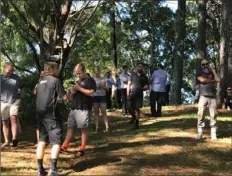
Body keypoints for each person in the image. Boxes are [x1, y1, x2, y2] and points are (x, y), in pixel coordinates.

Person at [35, 62, 67, 176]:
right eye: (57, 69)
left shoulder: (39, 81)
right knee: (56, 142)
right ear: (52, 69)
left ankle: (40, 170)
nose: (58, 71)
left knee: (42, 141)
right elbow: (64, 97)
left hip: (40, 116)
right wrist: (71, 94)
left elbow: (35, 92)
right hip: (52, 116)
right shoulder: (55, 80)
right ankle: (53, 170)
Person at [61, 63, 96, 157]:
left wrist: (79, 88)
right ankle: (64, 146)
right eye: (76, 73)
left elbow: (91, 93)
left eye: (79, 73)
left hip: (84, 108)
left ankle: (82, 148)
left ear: (84, 71)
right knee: (70, 127)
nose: (78, 75)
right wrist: (72, 93)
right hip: (74, 107)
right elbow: (70, 98)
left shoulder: (90, 80)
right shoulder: (77, 81)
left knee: (83, 129)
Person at [1, 62, 24, 149]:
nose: (11, 72)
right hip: (3, 102)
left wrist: (21, 97)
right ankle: (6, 141)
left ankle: (14, 139)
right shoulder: (1, 78)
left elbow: (22, 88)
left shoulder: (16, 77)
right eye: (9, 70)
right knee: (5, 122)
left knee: (13, 118)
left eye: (12, 70)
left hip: (14, 101)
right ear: (5, 68)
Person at [196, 59, 220, 140]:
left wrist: (213, 70)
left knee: (213, 115)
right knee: (200, 114)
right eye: (203, 64)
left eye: (206, 64)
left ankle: (213, 133)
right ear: (201, 66)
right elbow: (203, 80)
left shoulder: (212, 73)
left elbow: (218, 79)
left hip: (213, 97)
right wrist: (213, 81)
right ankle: (200, 133)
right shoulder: (199, 73)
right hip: (203, 96)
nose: (205, 66)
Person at [127, 62, 149, 129]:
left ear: (143, 68)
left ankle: (137, 123)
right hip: (132, 93)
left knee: (137, 109)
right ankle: (133, 117)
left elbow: (147, 87)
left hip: (139, 95)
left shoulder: (145, 77)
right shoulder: (132, 75)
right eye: (139, 66)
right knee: (128, 107)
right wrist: (128, 94)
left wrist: (143, 88)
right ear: (137, 67)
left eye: (141, 67)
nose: (140, 68)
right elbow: (129, 84)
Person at [93, 68, 109, 132]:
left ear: (100, 72)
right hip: (95, 97)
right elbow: (90, 89)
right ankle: (97, 127)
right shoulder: (93, 80)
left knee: (104, 112)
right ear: (95, 72)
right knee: (96, 112)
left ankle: (107, 127)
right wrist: (95, 87)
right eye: (96, 72)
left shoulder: (104, 79)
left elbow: (107, 89)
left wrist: (103, 87)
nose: (97, 73)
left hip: (102, 96)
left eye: (98, 72)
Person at [33, 71, 45, 146]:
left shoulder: (50, 83)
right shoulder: (38, 84)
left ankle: (47, 141)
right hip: (39, 106)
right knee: (38, 125)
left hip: (47, 107)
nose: (41, 77)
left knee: (47, 124)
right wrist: (38, 85)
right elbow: (34, 92)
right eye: (41, 76)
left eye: (43, 76)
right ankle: (38, 141)